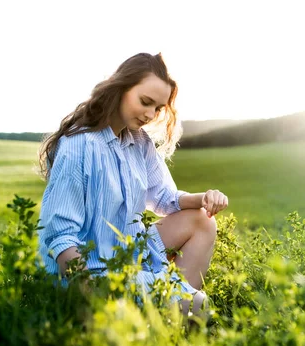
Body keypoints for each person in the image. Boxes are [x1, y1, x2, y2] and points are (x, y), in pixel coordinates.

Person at [37, 52, 228, 315]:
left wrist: (205, 198)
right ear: (120, 88)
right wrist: (93, 299)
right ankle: (171, 309)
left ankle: (167, 309)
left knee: (202, 220)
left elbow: (164, 197)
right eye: (145, 102)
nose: (150, 114)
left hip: (129, 254)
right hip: (93, 272)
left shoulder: (139, 142)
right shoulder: (79, 146)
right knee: (200, 307)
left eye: (158, 108)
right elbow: (60, 236)